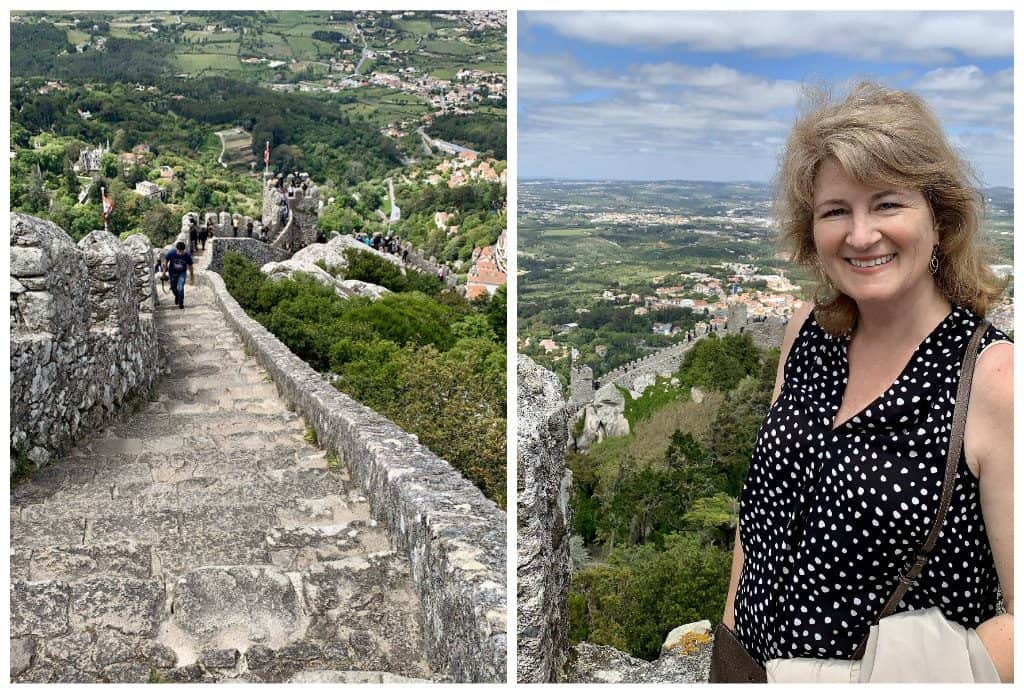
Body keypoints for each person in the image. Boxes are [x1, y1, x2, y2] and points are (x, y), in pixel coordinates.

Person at [722, 83, 1013, 681]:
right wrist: (729, 638)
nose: (860, 235)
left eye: (887, 204)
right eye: (836, 211)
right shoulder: (806, 335)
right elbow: (763, 515)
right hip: (743, 665)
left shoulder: (994, 380)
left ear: (940, 218)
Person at [162, 241, 194, 310]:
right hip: (172, 273)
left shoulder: (187, 256)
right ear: (176, 249)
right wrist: (164, 273)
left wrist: (192, 278)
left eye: (182, 251)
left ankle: (181, 302)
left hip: (182, 273)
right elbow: (166, 262)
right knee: (173, 288)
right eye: (179, 251)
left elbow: (191, 267)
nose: (180, 253)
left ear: (184, 250)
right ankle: (177, 296)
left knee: (180, 287)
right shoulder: (171, 253)